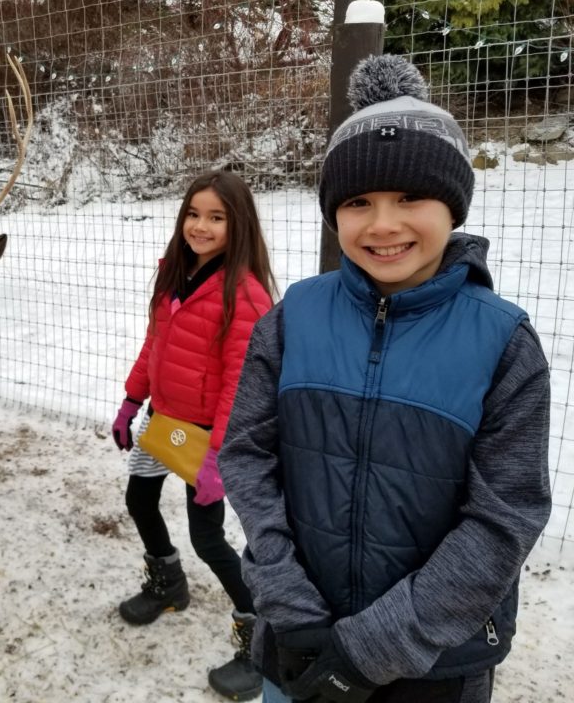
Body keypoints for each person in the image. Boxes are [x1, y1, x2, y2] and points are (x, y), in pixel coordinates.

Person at [218, 55, 552, 703]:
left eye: (410, 198)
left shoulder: (503, 344)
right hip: (296, 641)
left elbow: (503, 519)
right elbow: (247, 455)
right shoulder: (293, 320)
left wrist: (372, 648)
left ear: (452, 204)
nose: (383, 224)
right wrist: (289, 602)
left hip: (431, 668)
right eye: (358, 201)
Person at [111, 169, 276, 700]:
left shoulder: (244, 295)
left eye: (216, 217)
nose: (200, 226)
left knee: (208, 537)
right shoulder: (173, 274)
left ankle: (260, 635)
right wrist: (132, 399)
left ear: (238, 224)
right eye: (193, 214)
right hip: (162, 422)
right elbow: (153, 346)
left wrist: (217, 460)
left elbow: (239, 385)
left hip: (206, 436)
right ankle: (167, 583)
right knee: (139, 499)